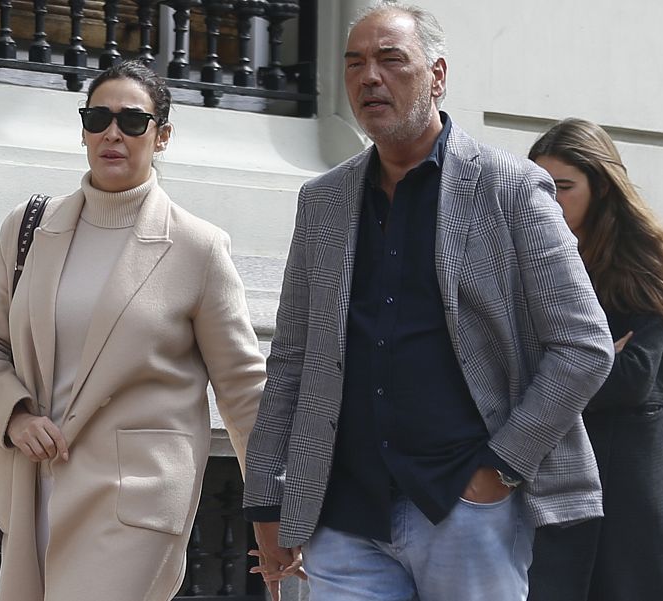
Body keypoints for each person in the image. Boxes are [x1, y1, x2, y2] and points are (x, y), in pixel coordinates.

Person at [241, 3, 615, 600]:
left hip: (466, 509)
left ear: (437, 76)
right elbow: (291, 359)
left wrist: (501, 466)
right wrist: (266, 494)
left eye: (391, 60)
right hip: (344, 514)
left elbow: (584, 345)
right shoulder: (322, 203)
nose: (369, 77)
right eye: (355, 63)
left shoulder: (509, 188)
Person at [0, 60, 266, 601]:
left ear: (162, 136)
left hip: (136, 500)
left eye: (132, 121)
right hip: (31, 486)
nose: (112, 133)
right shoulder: (29, 228)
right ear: (82, 130)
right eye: (97, 118)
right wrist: (16, 414)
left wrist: (273, 509)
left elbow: (242, 389)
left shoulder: (198, 247)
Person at [526, 118, 663, 601]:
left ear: (601, 187)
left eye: (564, 186)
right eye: (541, 186)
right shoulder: (520, 261)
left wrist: (550, 374)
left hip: (624, 491)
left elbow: (631, 379)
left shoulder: (642, 264)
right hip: (546, 490)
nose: (550, 200)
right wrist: (587, 363)